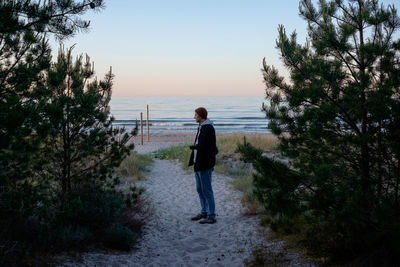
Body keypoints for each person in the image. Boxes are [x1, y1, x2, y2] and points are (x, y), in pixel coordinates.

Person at [188, 107, 218, 224]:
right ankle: (204, 212)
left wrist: (195, 147)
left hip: (204, 164)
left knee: (207, 190)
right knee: (199, 190)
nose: (194, 117)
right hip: (198, 163)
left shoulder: (208, 128)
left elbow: (209, 147)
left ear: (200, 116)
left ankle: (211, 215)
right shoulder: (201, 127)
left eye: (195, 115)